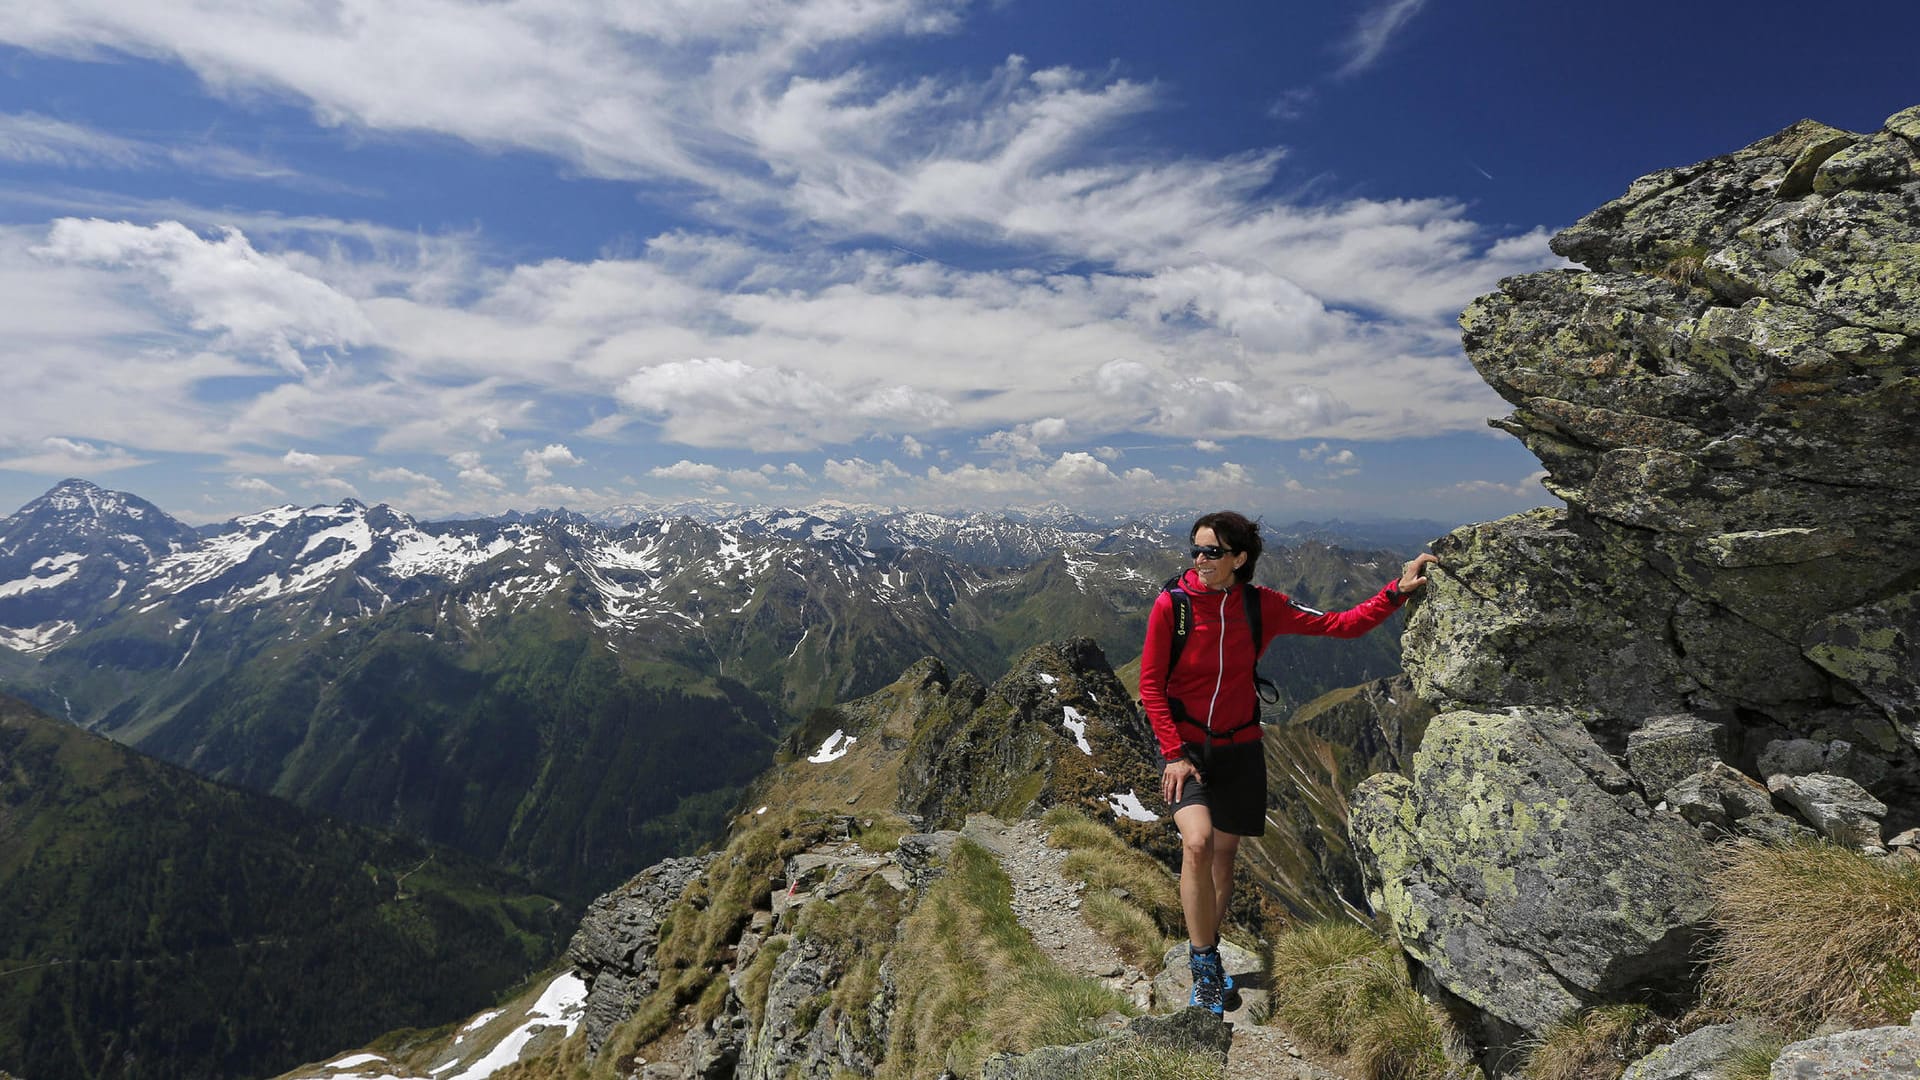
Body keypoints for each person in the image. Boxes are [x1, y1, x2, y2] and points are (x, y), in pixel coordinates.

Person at [1138, 511, 1437, 1016]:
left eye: (1211, 552)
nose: (1199, 561)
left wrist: (1396, 592)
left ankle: (1208, 948)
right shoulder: (1175, 606)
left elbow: (1338, 626)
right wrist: (1173, 754)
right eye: (1195, 550)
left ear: (1239, 558)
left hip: (1241, 748)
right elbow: (1150, 685)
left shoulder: (1260, 605)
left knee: (1225, 860)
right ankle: (1204, 965)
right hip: (1189, 754)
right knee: (1197, 843)